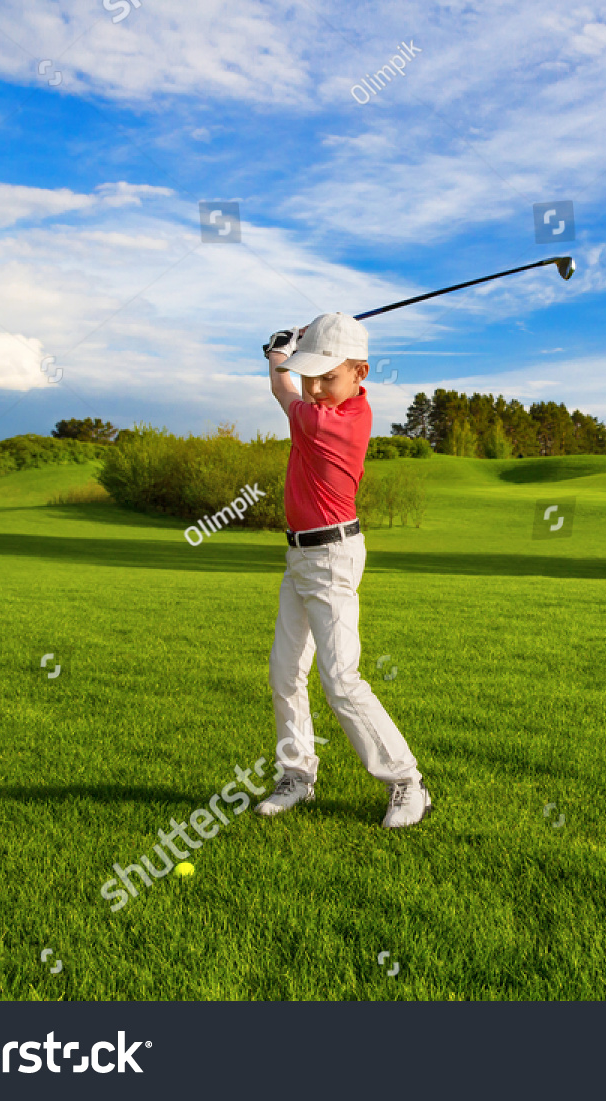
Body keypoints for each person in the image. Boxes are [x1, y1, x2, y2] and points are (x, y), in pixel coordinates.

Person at [256, 312, 430, 828]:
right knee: (285, 672)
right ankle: (297, 775)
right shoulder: (339, 404)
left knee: (340, 680)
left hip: (331, 560)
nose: (314, 389)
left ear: (361, 373)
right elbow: (290, 384)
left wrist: (279, 353)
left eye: (327, 377)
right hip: (300, 557)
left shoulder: (326, 422)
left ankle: (407, 781)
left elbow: (281, 388)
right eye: (310, 377)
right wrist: (293, 352)